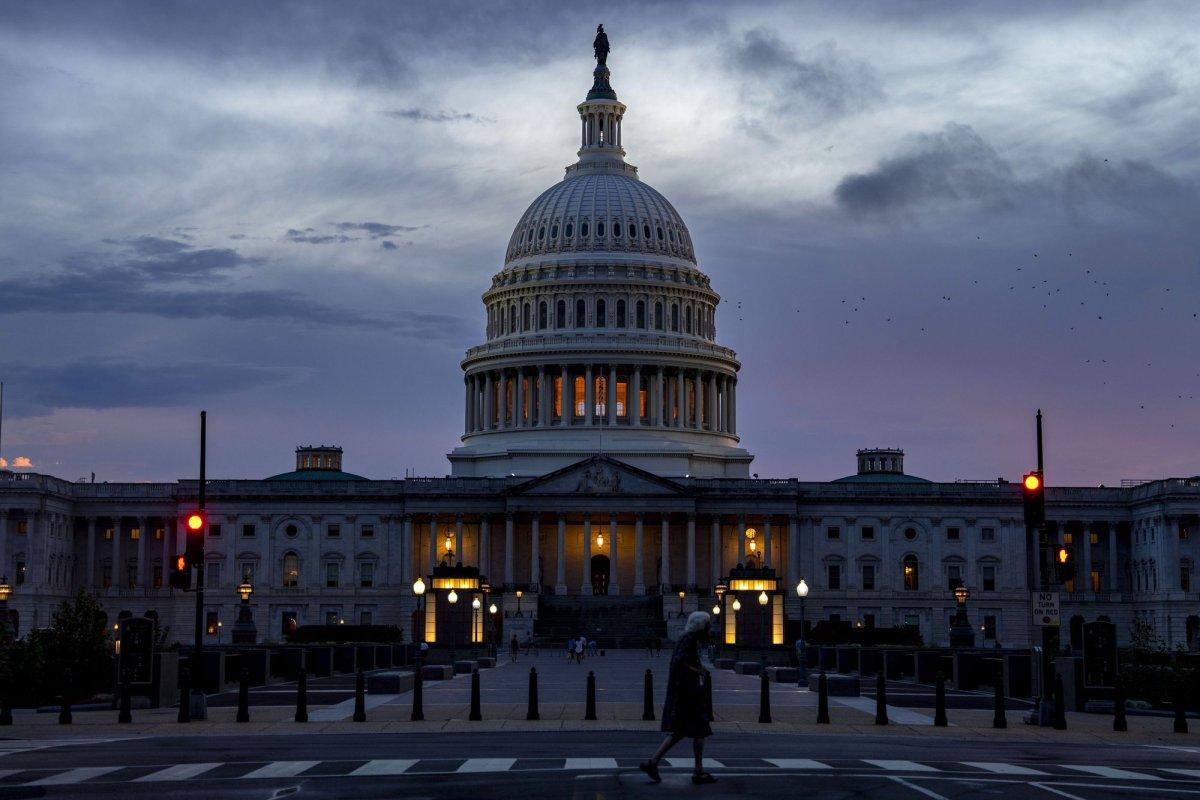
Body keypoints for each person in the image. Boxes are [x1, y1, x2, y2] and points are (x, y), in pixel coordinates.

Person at [640, 612, 716, 785]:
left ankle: (654, 762)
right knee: (699, 729)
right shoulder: (689, 639)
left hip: (686, 692)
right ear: (701, 626)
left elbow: (684, 660)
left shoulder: (688, 638)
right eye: (708, 625)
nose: (710, 629)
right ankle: (697, 771)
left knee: (682, 731)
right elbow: (680, 661)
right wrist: (699, 671)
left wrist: (700, 667)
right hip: (688, 694)